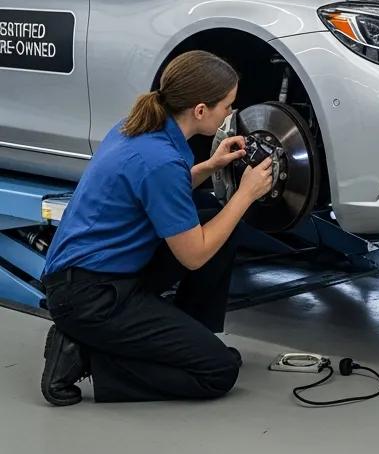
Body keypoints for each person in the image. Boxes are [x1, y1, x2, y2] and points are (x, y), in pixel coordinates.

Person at [40, 50, 273, 405]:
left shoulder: (135, 128)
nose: (230, 114)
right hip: (90, 298)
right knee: (218, 372)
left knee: (211, 213)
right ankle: (84, 355)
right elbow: (194, 256)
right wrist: (246, 194)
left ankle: (186, 339)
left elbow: (157, 191)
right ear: (200, 110)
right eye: (227, 106)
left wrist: (211, 165)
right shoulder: (160, 159)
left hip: (99, 273)